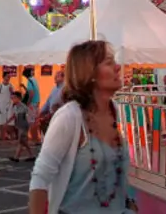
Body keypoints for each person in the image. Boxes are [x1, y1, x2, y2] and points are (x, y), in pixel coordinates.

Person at [29, 40, 131, 214]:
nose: (118, 68)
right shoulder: (69, 117)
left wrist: (129, 203)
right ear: (90, 73)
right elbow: (40, 179)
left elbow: (116, 174)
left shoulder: (117, 112)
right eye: (109, 63)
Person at [9, 91, 34, 162]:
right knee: (23, 142)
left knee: (21, 140)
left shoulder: (21, 106)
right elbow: (14, 116)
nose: (13, 99)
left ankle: (17, 157)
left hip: (23, 124)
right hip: (20, 124)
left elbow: (26, 114)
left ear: (19, 98)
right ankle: (30, 155)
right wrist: (8, 122)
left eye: (14, 98)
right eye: (12, 98)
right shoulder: (15, 106)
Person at [0, 72, 13, 140]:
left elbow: (13, 96)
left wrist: (11, 92)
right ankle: (3, 138)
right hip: (1, 106)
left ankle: (9, 136)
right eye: (7, 76)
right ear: (4, 77)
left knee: (10, 122)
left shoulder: (11, 85)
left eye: (9, 77)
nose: (8, 78)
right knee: (1, 122)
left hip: (9, 106)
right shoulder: (0, 86)